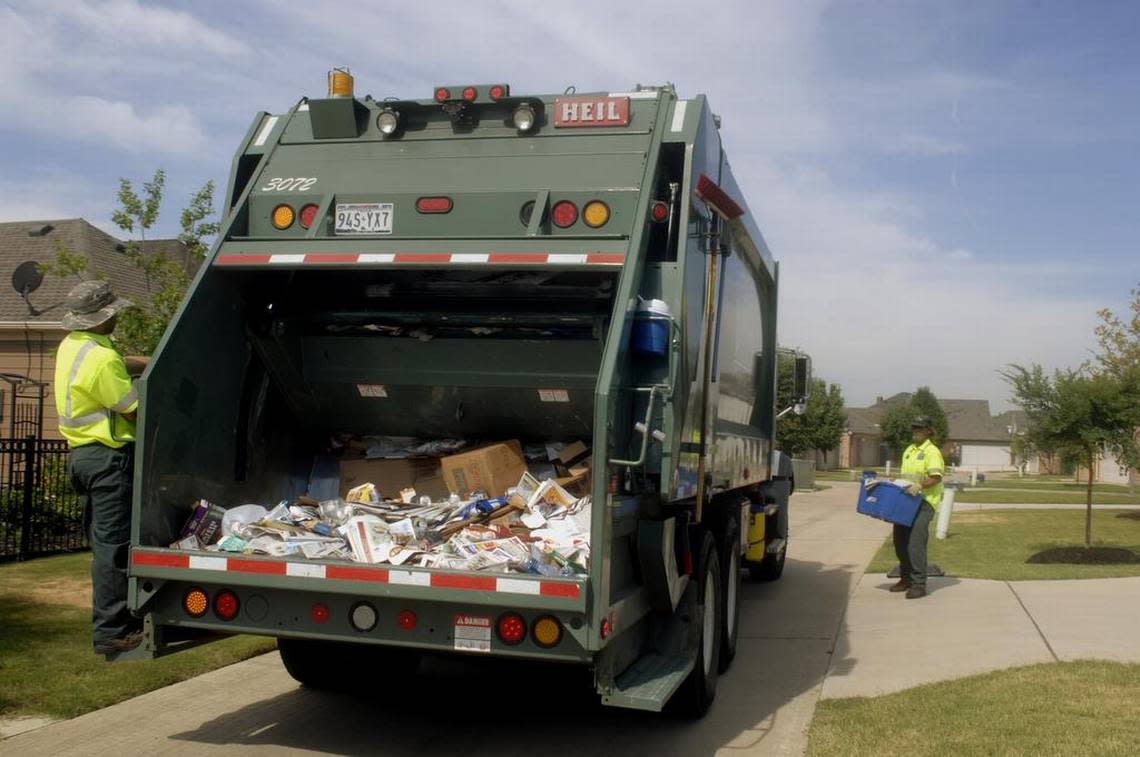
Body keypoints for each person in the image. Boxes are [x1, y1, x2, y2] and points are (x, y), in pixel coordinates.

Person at [54, 281, 144, 658]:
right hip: (108, 459)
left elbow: (114, 360)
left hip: (81, 457)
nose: (118, 315)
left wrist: (148, 360)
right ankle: (112, 631)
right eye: (113, 312)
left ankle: (115, 621)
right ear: (104, 316)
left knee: (102, 544)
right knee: (112, 548)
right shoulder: (102, 360)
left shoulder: (73, 346)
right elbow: (133, 409)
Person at [890, 416, 944, 599]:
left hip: (924, 503)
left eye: (919, 428)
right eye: (914, 428)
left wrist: (920, 486)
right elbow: (907, 475)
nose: (916, 431)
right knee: (899, 541)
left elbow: (936, 477)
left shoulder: (932, 451)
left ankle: (919, 583)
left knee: (915, 543)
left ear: (928, 430)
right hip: (906, 502)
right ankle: (905, 578)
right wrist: (896, 483)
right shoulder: (909, 450)